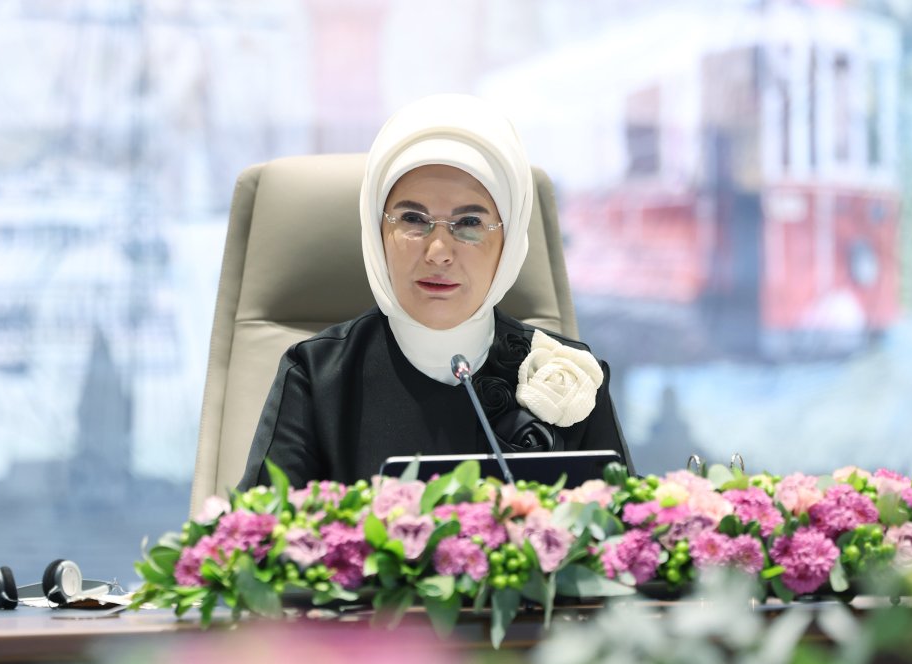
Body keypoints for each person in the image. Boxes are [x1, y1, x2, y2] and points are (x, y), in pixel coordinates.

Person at [238, 94, 632, 490]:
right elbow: (256, 539)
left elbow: (626, 540)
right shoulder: (318, 376)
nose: (438, 252)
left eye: (469, 222)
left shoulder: (572, 377)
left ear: (509, 241)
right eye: (412, 218)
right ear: (377, 232)